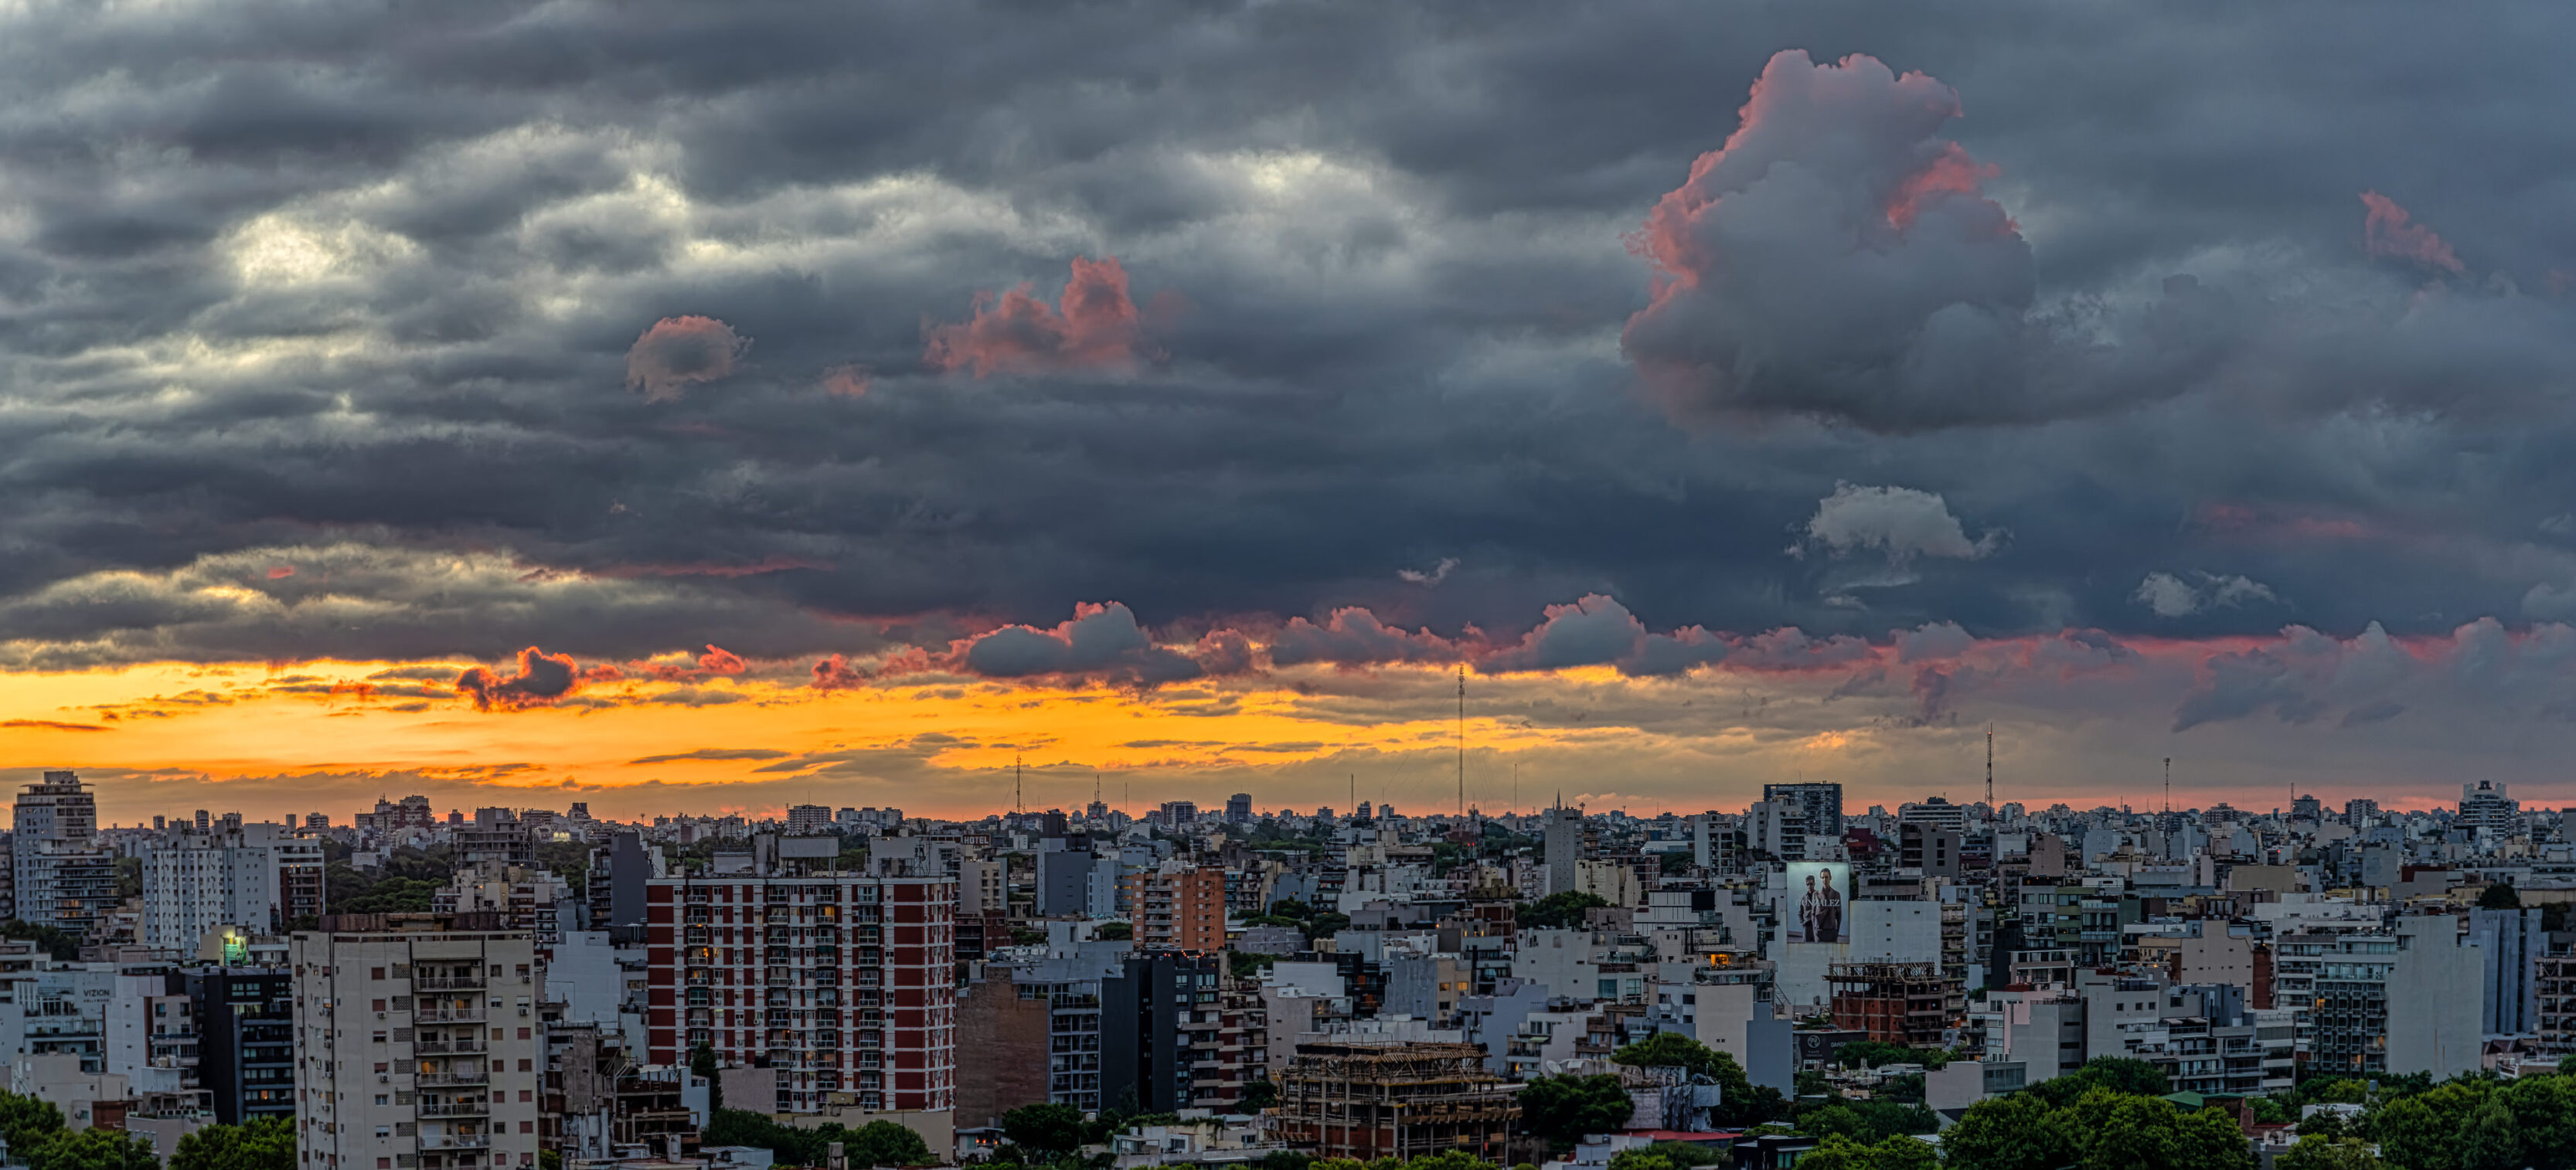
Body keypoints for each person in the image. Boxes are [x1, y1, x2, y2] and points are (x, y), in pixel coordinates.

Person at [1815, 867, 1844, 942]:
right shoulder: (1816, 894)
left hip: (1832, 931)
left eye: (1826, 877)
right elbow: (1813, 914)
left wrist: (1837, 932)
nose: (1824, 880)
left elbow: (1839, 915)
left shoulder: (1836, 894)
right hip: (1820, 931)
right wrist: (1814, 932)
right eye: (1822, 878)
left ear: (1830, 878)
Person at [1796, 872, 1819, 943]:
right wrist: (1803, 923)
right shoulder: (1804, 898)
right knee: (1806, 947)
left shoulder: (1819, 896)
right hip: (1807, 926)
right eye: (1807, 884)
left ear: (1814, 884)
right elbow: (1800, 913)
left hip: (1817, 926)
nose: (1809, 886)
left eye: (1811, 884)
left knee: (1819, 947)